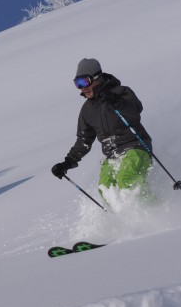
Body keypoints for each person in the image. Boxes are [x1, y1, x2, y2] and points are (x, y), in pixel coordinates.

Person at [51, 58, 155, 204]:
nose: (82, 88)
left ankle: (155, 211)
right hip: (112, 155)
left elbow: (136, 109)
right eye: (77, 84)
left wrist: (115, 100)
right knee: (106, 187)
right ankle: (123, 221)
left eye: (84, 82)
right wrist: (67, 163)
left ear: (96, 78)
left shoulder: (120, 92)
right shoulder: (87, 110)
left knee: (127, 179)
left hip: (136, 148)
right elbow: (84, 141)